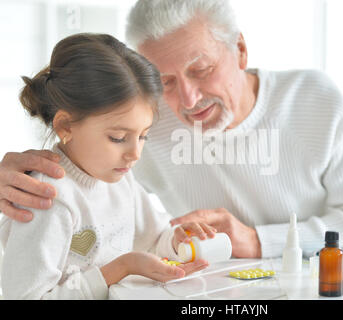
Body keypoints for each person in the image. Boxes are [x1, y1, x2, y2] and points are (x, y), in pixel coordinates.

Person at [0, 0, 343, 259]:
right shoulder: (148, 121)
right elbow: (83, 160)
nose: (188, 100)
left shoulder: (314, 98)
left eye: (201, 70)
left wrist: (257, 242)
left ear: (240, 50)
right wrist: (22, 176)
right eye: (166, 81)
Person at [0, 33, 212, 299]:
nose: (134, 153)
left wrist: (177, 241)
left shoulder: (120, 179)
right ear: (66, 126)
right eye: (119, 138)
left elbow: (153, 240)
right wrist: (121, 268)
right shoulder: (47, 196)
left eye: (143, 135)